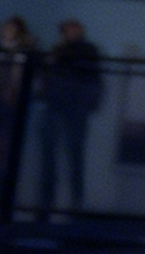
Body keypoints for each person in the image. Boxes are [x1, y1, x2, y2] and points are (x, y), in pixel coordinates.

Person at [35, 20, 104, 215]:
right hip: (56, 105)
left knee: (75, 156)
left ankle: (76, 204)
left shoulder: (87, 50)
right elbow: (46, 74)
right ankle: (46, 204)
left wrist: (87, 104)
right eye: (68, 29)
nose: (71, 32)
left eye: (74, 28)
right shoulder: (57, 49)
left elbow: (93, 78)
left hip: (75, 108)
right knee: (51, 157)